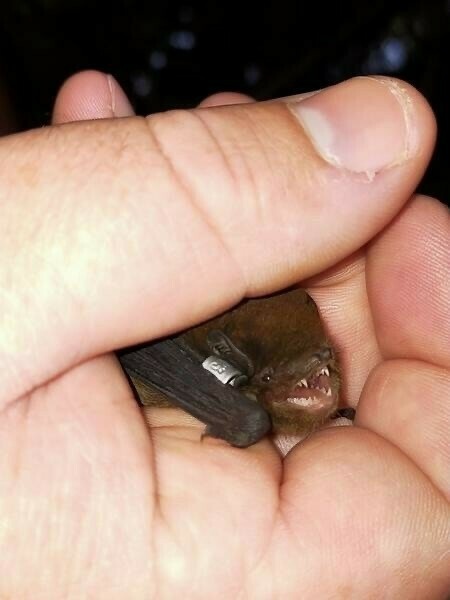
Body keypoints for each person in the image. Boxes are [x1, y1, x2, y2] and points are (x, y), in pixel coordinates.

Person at [0, 71, 448, 599]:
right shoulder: (200, 361)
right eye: (307, 373)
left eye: (325, 364)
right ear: (239, 373)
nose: (324, 381)